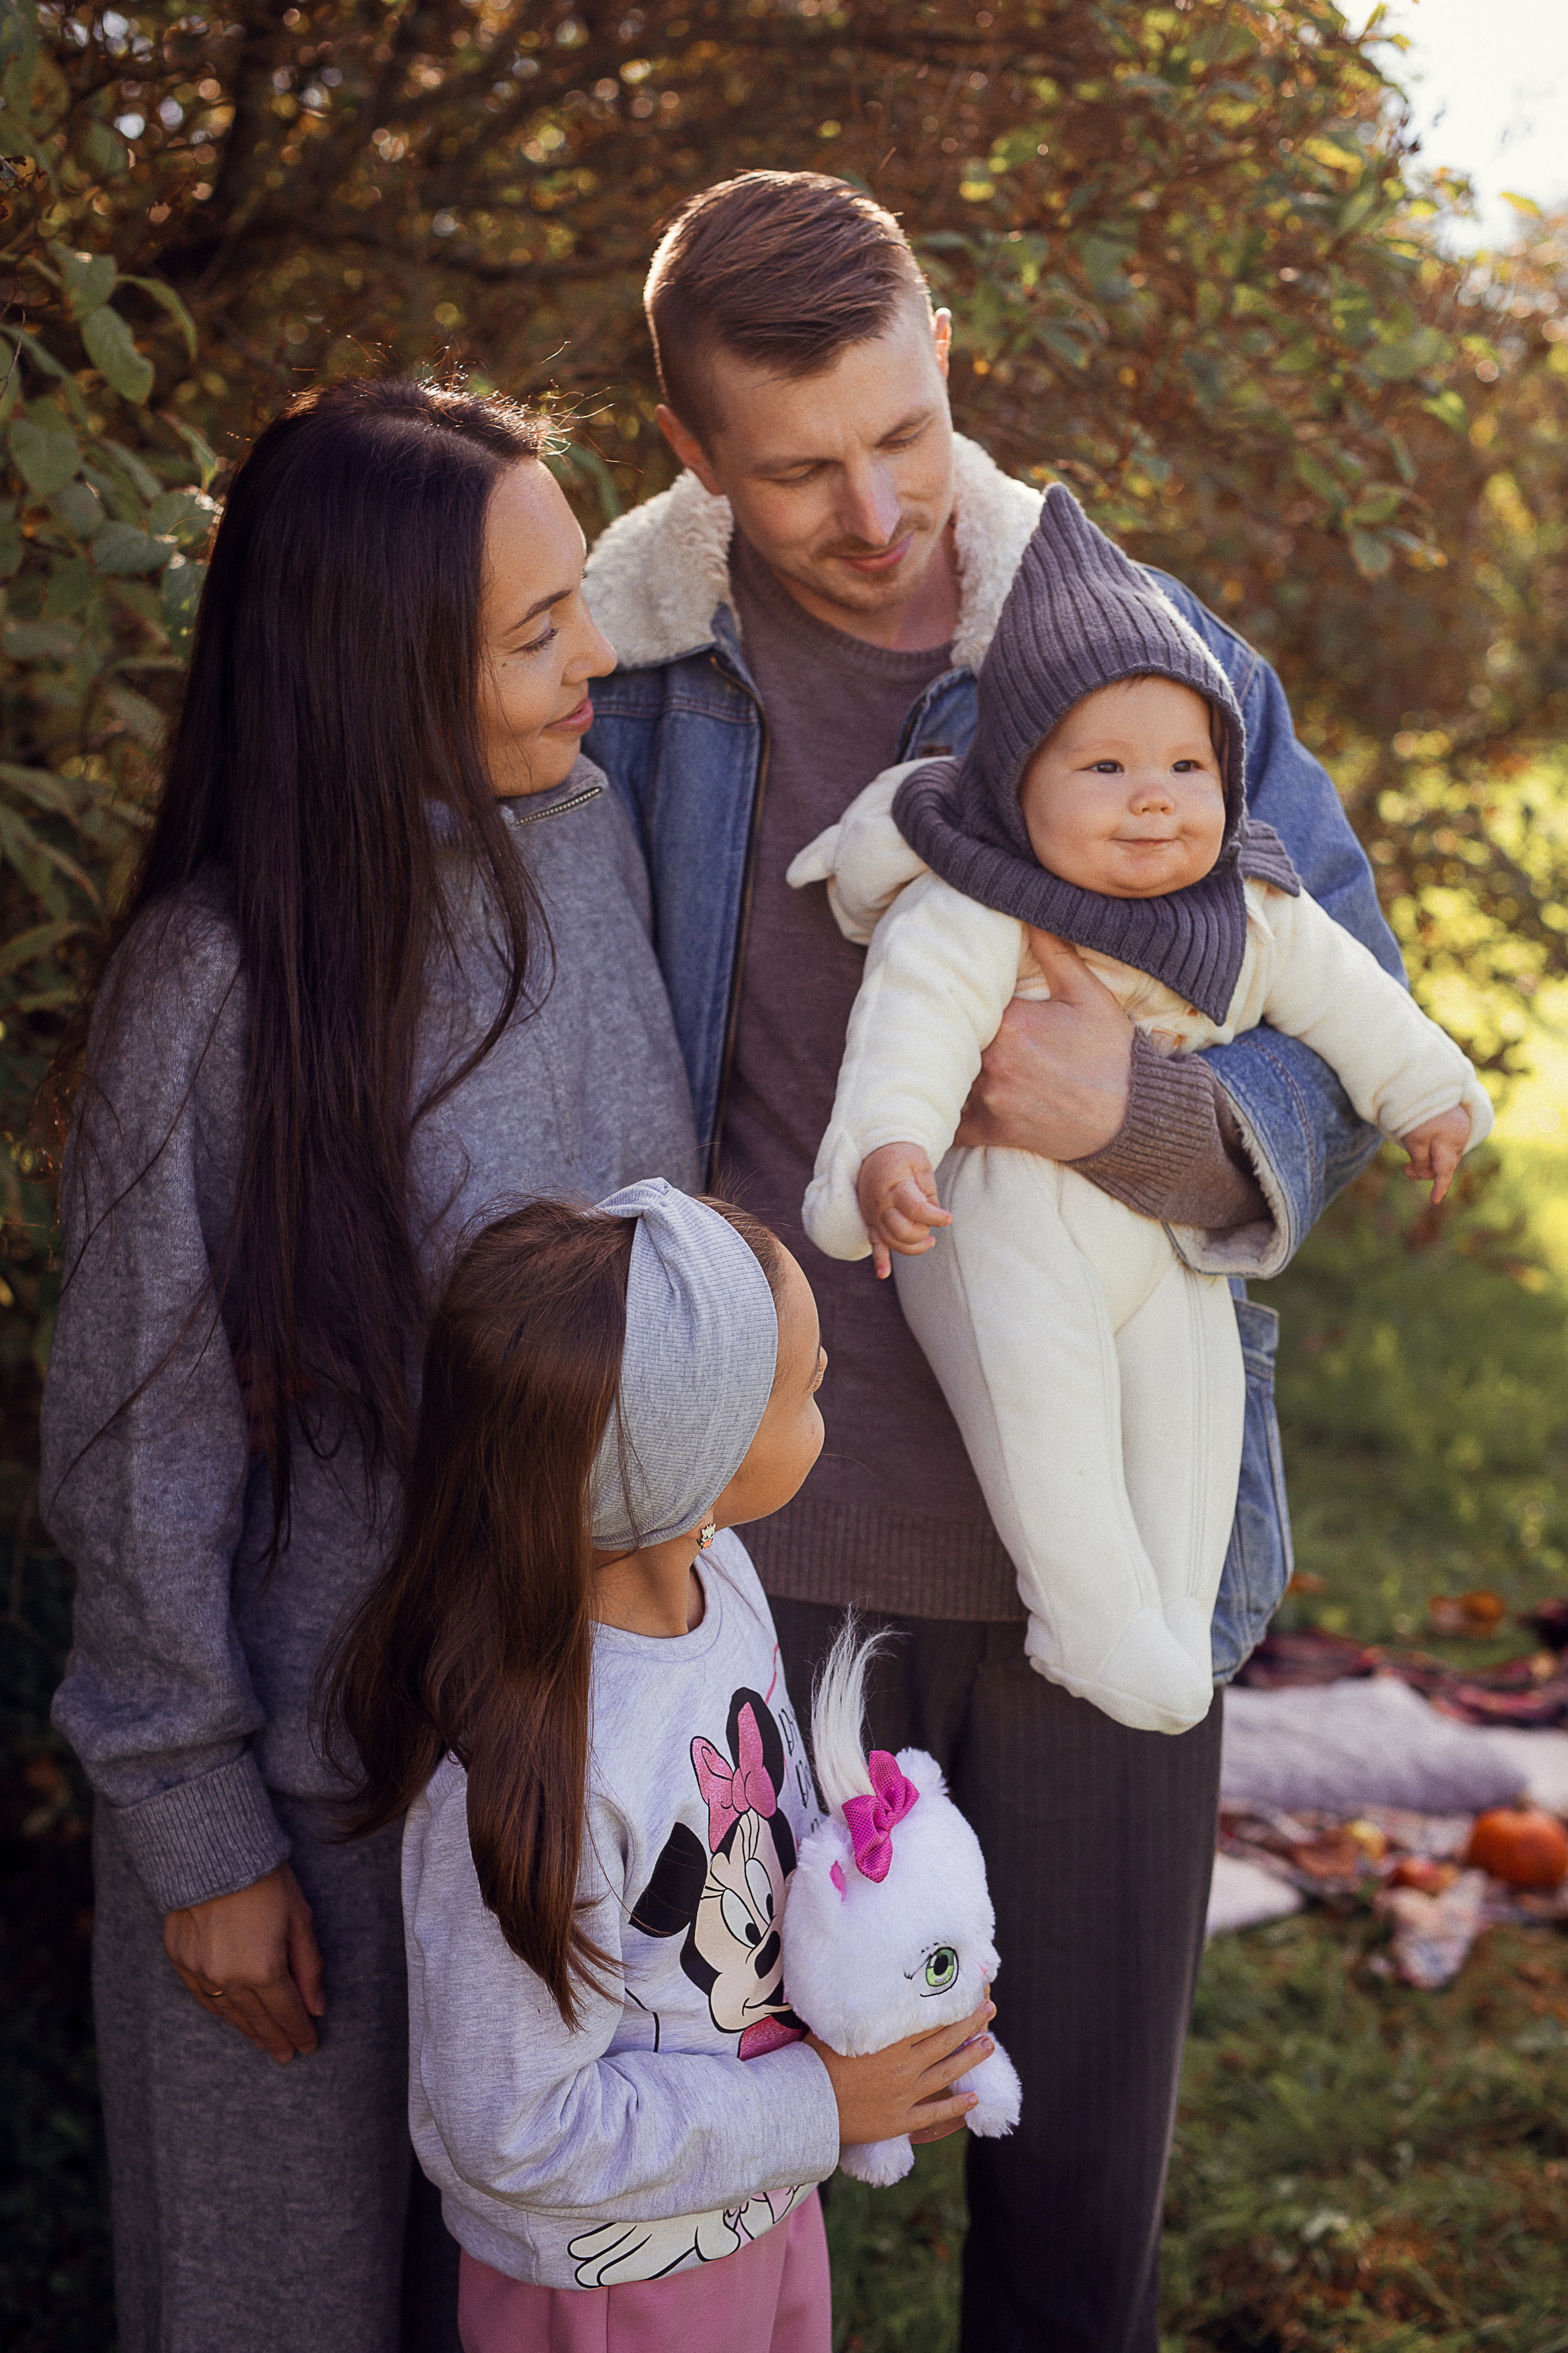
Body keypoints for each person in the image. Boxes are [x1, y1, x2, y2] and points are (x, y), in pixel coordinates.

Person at [581, 171, 1405, 2351]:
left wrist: (1124, 1113)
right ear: (687, 451)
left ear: (944, 344)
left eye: (902, 434)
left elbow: (1347, 1019)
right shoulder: (626, 678)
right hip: (745, 1579)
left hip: (1113, 1566)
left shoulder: (1158, 655)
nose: (872, 509)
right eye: (794, 466)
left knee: (1070, 2237)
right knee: (713, 2206)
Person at [40, 379, 699, 2353]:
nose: (594, 655)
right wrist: (202, 1835)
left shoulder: (584, 848)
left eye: (579, 597)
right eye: (532, 631)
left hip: (572, 1784)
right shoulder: (220, 983)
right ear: (372, 669)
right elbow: (135, 1448)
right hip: (314, 1821)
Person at [794, 484, 1490, 1735]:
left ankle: (1169, 1611)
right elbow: (906, 1032)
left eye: (1184, 767)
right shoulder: (972, 905)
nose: (1154, 799)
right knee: (1041, 1398)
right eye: (1104, 768)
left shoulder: (1248, 909)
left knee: (1189, 1405)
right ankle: (1089, 1610)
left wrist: (1429, 1092)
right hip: (1007, 1219)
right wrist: (885, 1151)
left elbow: (1352, 1001)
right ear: (1016, 789)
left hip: (1162, 1244)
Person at [322, 1180, 995, 2353]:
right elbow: (518, 2127)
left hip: (756, 2204)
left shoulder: (713, 1577)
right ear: (691, 1462)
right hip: (617, 2283)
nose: (827, 1376)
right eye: (803, 1385)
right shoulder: (546, 1761)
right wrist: (820, 2106)